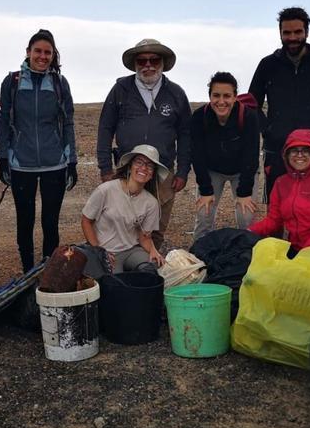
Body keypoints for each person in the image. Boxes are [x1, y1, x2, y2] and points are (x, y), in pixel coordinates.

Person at [96, 38, 192, 250]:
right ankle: (124, 264)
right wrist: (105, 167)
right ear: (135, 64)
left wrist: (183, 171)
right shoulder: (120, 90)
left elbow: (186, 135)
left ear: (163, 63)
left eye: (154, 60)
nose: (148, 65)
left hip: (163, 171)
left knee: (156, 224)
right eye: (142, 61)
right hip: (127, 169)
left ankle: (150, 269)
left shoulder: (176, 93)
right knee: (122, 221)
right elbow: (105, 129)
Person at [0, 29, 77, 273]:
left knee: (50, 223)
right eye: (38, 51)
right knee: (25, 221)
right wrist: (3, 157)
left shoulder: (59, 83)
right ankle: (28, 271)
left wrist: (71, 160)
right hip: (22, 163)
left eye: (48, 52)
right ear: (28, 52)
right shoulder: (12, 82)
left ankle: (45, 270)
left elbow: (68, 122)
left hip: (55, 163)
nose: (42, 56)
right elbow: (4, 122)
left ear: (53, 56)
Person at [248, 6, 310, 200]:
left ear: (307, 32)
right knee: (276, 203)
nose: (292, 37)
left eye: (298, 32)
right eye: (287, 33)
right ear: (280, 33)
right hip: (277, 147)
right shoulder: (268, 64)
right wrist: (268, 130)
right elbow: (251, 102)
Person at [248, 129, 310, 257]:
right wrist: (248, 231)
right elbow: (274, 221)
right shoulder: (280, 183)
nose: (299, 155)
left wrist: (306, 251)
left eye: (305, 150)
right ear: (286, 155)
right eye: (294, 150)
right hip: (296, 248)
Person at [191, 72, 260, 240]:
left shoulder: (249, 117)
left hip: (242, 170)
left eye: (227, 96)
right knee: (204, 213)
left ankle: (247, 253)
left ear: (235, 97)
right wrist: (206, 190)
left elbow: (251, 156)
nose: (221, 101)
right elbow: (197, 155)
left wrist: (244, 193)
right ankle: (199, 255)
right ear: (209, 96)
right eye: (216, 95)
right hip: (212, 170)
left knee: (246, 217)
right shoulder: (200, 117)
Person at [82, 145, 167, 274]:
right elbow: (86, 221)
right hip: (106, 249)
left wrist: (153, 250)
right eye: (139, 162)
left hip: (131, 250)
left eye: (149, 166)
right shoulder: (106, 190)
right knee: (116, 282)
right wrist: (98, 251)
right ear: (130, 166)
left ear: (152, 174)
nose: (143, 168)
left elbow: (145, 237)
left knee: (153, 268)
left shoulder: (151, 203)